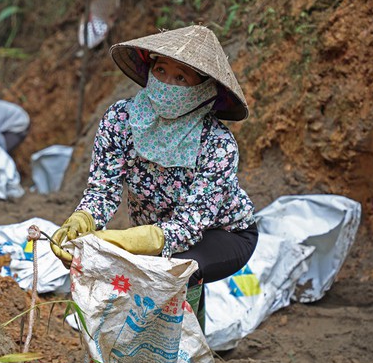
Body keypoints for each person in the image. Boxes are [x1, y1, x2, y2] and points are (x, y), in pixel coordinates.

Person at [49, 25, 258, 331]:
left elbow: (187, 228)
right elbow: (103, 192)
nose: (166, 83)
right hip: (155, 231)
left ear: (202, 90)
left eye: (181, 77)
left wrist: (119, 241)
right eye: (160, 70)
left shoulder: (217, 143)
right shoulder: (120, 120)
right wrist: (83, 220)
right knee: (156, 270)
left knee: (179, 270)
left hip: (223, 233)